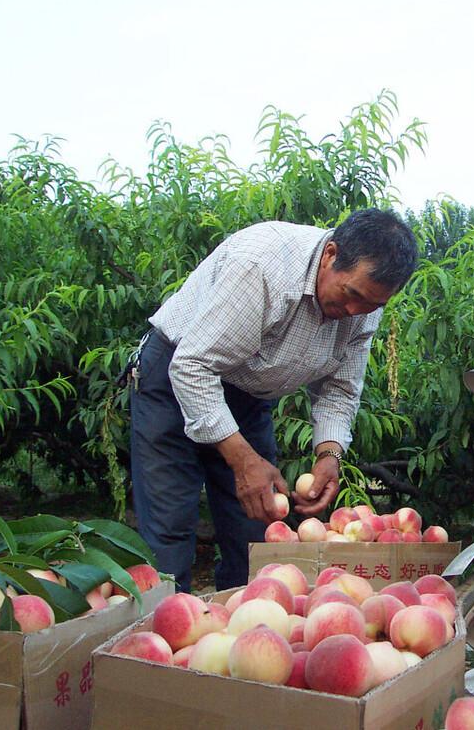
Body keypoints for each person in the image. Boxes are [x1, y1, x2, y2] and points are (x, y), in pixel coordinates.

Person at [129, 209, 417, 592]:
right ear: (330, 254)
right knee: (167, 533)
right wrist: (244, 460)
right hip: (175, 378)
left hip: (247, 395)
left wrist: (329, 454)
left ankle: (246, 636)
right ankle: (158, 640)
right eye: (352, 296)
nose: (354, 312)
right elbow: (193, 366)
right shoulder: (262, 267)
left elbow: (340, 388)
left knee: (257, 536)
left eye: (371, 306)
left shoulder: (364, 306)